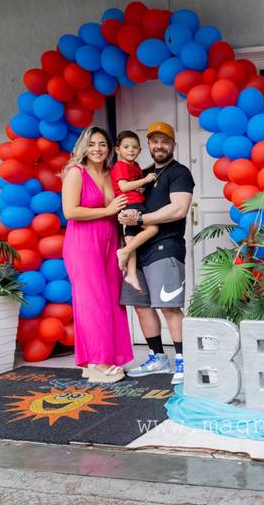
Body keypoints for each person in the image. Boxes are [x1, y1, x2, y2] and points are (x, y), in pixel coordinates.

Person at [119, 121, 194, 385]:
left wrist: (140, 219)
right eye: (154, 141)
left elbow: (178, 209)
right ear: (148, 145)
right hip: (139, 249)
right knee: (141, 307)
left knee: (169, 308)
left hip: (166, 247)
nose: (159, 146)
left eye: (165, 141)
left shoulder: (179, 173)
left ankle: (184, 361)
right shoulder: (144, 175)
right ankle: (157, 358)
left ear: (173, 145)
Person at [61, 126, 133, 383]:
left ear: (109, 148)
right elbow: (70, 211)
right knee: (93, 302)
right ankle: (98, 363)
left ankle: (101, 358)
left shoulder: (111, 174)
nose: (97, 149)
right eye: (92, 144)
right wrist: (108, 210)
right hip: (83, 244)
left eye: (102, 144)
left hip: (110, 242)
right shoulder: (76, 173)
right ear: (84, 147)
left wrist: (125, 241)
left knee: (112, 301)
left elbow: (118, 211)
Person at [110, 130, 158, 292]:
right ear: (118, 150)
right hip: (131, 205)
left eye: (135, 147)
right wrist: (145, 180)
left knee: (132, 241)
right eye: (126, 147)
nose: (131, 150)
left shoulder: (135, 166)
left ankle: (131, 275)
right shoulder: (121, 166)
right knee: (153, 228)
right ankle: (123, 252)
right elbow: (123, 186)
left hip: (135, 203)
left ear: (140, 150)